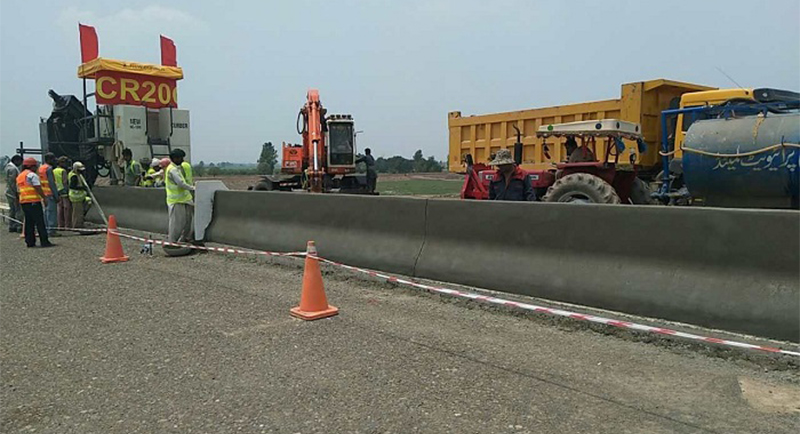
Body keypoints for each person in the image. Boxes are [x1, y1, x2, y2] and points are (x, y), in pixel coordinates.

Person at [17, 157, 54, 247]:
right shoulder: (32, 175)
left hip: (24, 201)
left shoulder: (20, 176)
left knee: (29, 222)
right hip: (33, 201)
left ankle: (30, 242)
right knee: (40, 222)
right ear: (32, 166)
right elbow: (37, 187)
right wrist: (44, 198)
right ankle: (44, 241)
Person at [165, 149, 195, 243]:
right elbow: (181, 183)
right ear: (174, 158)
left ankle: (184, 239)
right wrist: (193, 188)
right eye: (180, 158)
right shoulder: (172, 170)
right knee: (176, 224)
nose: (182, 160)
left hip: (184, 199)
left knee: (187, 221)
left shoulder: (176, 168)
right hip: (176, 201)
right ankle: (172, 242)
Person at [38, 153, 59, 236]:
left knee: (46, 212)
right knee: (52, 213)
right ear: (49, 159)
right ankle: (52, 231)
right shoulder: (49, 169)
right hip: (50, 194)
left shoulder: (41, 168)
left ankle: (46, 229)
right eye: (53, 159)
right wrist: (56, 196)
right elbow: (51, 183)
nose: (54, 161)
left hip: (44, 193)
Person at [4, 155, 23, 232]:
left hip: (9, 191)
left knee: (12, 210)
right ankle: (18, 226)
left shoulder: (7, 167)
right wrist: (16, 193)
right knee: (17, 209)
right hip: (13, 192)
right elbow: (12, 182)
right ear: (16, 160)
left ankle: (12, 225)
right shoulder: (13, 169)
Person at [68, 162, 89, 228]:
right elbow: (72, 186)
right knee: (77, 213)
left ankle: (79, 223)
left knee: (80, 210)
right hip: (76, 197)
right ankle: (77, 225)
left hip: (79, 196)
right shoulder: (74, 176)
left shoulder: (76, 174)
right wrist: (82, 188)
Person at [53, 156, 71, 228]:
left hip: (56, 190)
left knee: (59, 208)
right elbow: (65, 182)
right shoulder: (63, 171)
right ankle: (67, 225)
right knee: (67, 208)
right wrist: (67, 190)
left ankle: (60, 224)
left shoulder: (54, 170)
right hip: (63, 190)